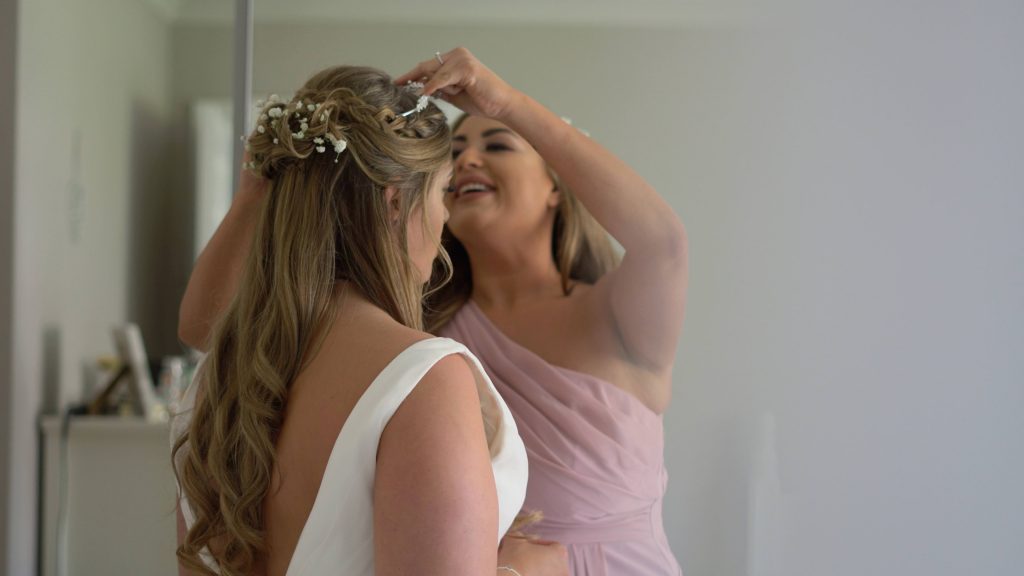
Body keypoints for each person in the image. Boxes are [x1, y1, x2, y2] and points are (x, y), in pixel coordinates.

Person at [172, 65, 567, 576]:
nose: (445, 219)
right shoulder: (423, 380)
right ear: (396, 202)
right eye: (441, 192)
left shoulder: (219, 380)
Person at [396, 48, 688, 575]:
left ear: (557, 185)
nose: (466, 160)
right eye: (454, 153)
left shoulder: (611, 316)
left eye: (499, 143)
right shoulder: (422, 331)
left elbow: (663, 243)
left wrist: (504, 102)